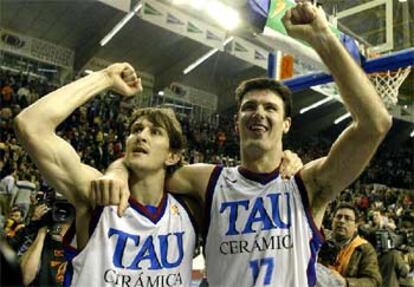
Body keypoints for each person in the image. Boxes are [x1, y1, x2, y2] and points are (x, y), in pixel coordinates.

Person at [94, 2, 392, 286]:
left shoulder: (307, 184)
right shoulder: (206, 180)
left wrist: (323, 38)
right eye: (250, 107)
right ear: (237, 121)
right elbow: (145, 166)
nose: (259, 113)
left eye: (270, 108)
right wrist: (118, 171)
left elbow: (375, 123)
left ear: (286, 124)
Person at [14, 63, 199, 286]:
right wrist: (106, 77)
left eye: (155, 132)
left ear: (172, 156)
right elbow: (30, 125)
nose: (141, 136)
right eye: (136, 130)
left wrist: (118, 169)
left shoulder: (190, 207)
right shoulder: (97, 193)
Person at [319, 203, 382, 287]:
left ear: (356, 225)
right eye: (338, 217)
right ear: (332, 221)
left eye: (347, 218)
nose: (341, 221)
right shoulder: (320, 239)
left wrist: (346, 283)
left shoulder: (365, 249)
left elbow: (373, 282)